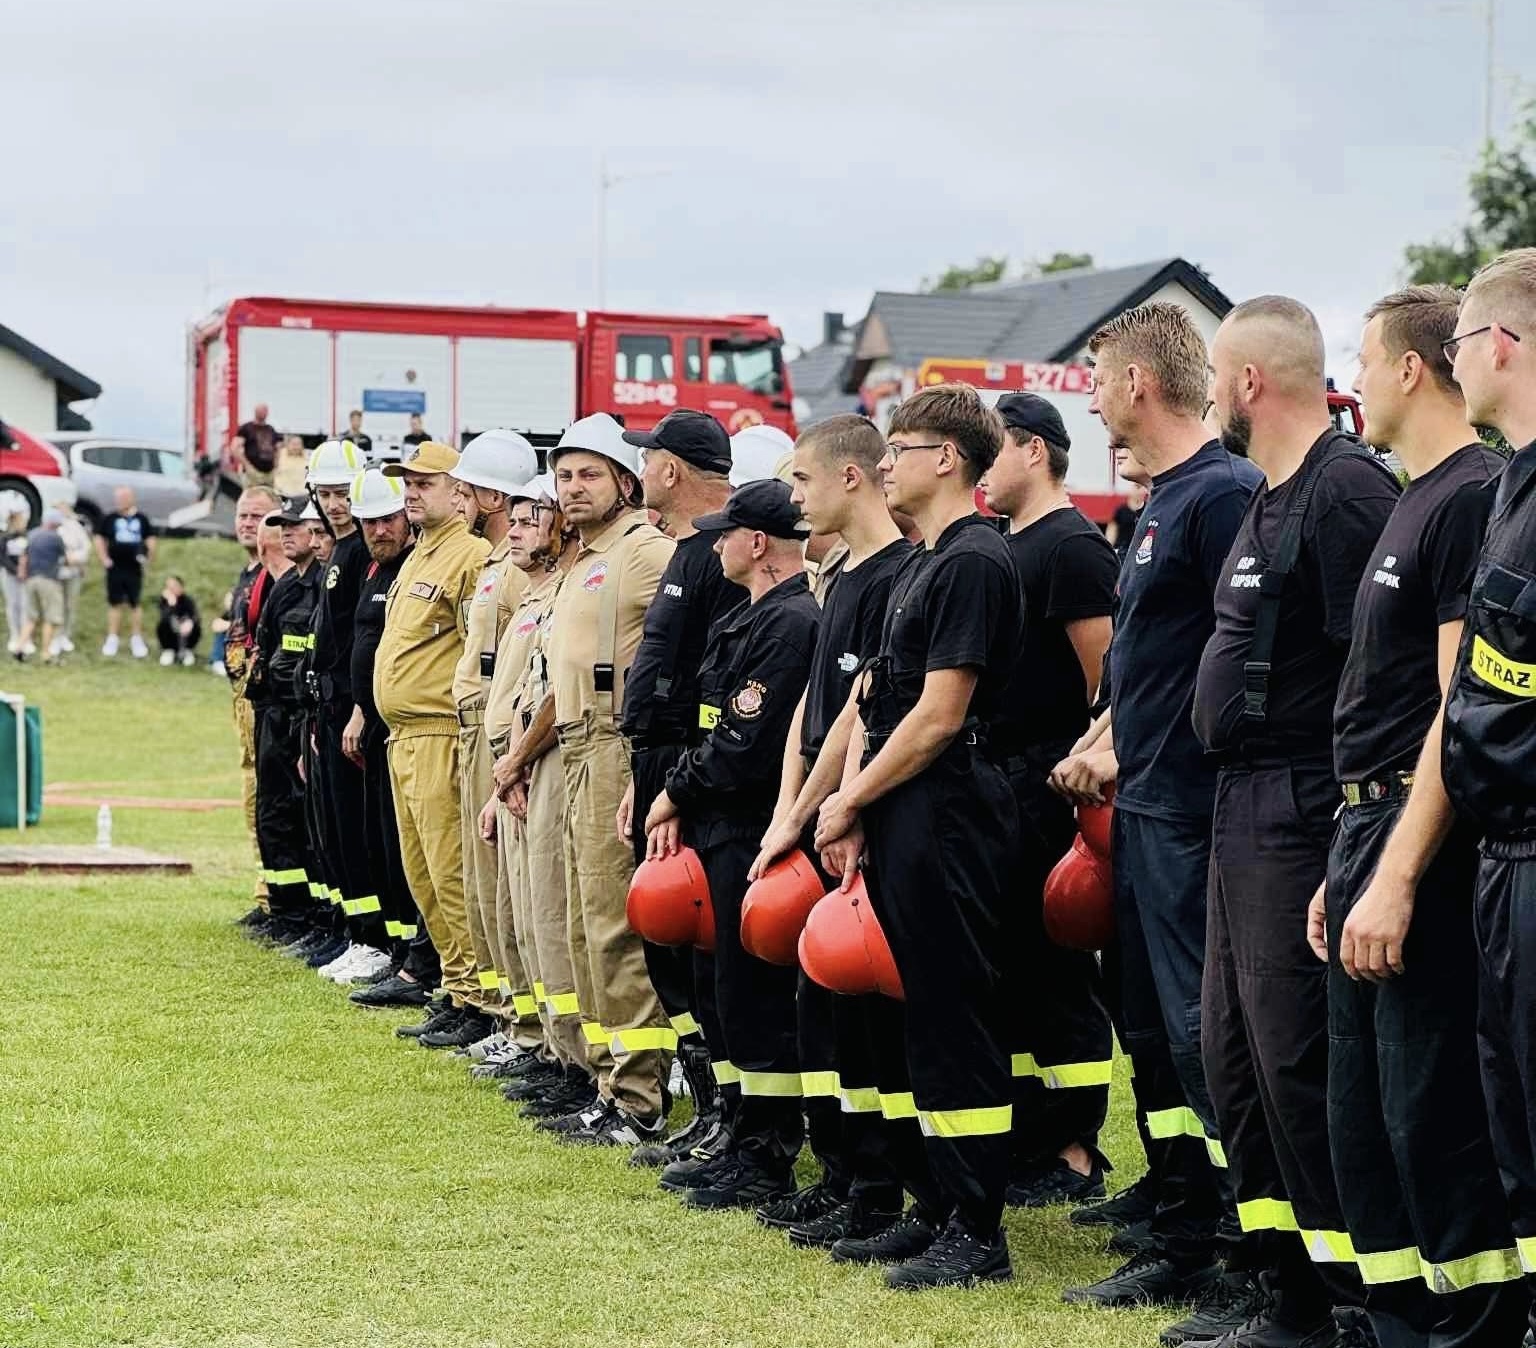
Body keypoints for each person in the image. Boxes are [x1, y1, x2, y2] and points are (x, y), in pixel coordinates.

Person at [1310, 285, 1524, 1348]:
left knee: (1430, 1107)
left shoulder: (1470, 496)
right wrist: (1346, 863)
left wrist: (1395, 867)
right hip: (1368, 827)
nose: (1351, 374)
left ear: (1409, 367)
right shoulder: (1411, 493)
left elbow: (1456, 704)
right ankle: (1392, 1319)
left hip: (1425, 837)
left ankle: (1470, 1325)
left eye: (1362, 352)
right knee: (1365, 1110)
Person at [1053, 303, 1263, 1341]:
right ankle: (1183, 1226)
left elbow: (1241, 657)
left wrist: (1143, 749)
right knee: (1155, 1033)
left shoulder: (1223, 494)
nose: (1090, 398)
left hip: (1193, 812)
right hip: (1142, 810)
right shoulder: (1167, 502)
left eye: (1097, 378)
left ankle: (1238, 1249)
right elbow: (1153, 662)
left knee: (1200, 1033)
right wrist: (1106, 738)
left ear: (1141, 381)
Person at [1192, 295, 1399, 1347]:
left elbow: (1383, 676)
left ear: (1249, 383)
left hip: (1301, 807)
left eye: (1217, 374)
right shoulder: (1267, 497)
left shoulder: (1347, 491)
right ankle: (1289, 1288)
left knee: (1299, 1054)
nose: (1212, 391)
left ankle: (1356, 1300)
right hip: (1238, 803)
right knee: (1238, 1054)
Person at [807, 383, 1023, 1291]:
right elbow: (874, 701)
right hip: (906, 814)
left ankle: (978, 1229)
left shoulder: (974, 559)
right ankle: (934, 1208)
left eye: (901, 448)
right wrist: (857, 806)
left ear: (949, 460)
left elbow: (938, 717)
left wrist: (847, 799)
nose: (885, 463)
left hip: (952, 814)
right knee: (915, 1023)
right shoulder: (924, 563)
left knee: (955, 1018)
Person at [750, 413, 912, 1248]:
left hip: (865, 822)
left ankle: (880, 1187)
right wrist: (790, 815)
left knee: (870, 1017)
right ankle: (845, 1172)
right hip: (821, 816)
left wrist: (839, 809)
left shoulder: (897, 576)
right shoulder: (841, 578)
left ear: (852, 477)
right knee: (825, 1013)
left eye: (802, 481)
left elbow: (870, 716)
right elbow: (814, 716)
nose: (793, 500)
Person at [641, 479, 820, 1209]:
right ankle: (742, 1134)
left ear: (757, 543)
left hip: (749, 825)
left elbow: (740, 745)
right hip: (718, 823)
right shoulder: (748, 617)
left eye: (726, 534)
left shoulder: (790, 623)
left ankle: (768, 1153)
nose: (714, 545)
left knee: (756, 996)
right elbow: (706, 723)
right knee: (726, 994)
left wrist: (674, 791)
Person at [979, 393, 1118, 1211]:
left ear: (1033, 450)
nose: (979, 469)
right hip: (998, 785)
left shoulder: (1071, 548)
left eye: (991, 450)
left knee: (1057, 971)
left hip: (1052, 785)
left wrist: (1085, 769)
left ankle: (1073, 1148)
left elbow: (1106, 681)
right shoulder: (1002, 545)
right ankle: (1030, 1134)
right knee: (1014, 972)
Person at [1441, 248, 1536, 1330]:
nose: (1451, 360)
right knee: (1512, 1121)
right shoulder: (1512, 481)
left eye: (1460, 340)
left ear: (1499, 346)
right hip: (1499, 853)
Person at [539, 413, 676, 1147]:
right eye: (563, 475)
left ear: (626, 481)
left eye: (588, 473)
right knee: (581, 921)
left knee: (614, 924)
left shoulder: (643, 550)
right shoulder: (585, 558)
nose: (571, 488)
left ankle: (638, 1096)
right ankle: (606, 1077)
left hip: (614, 745)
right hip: (573, 746)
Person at [614, 408, 744, 1168]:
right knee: (668, 949)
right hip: (657, 763)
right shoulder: (688, 550)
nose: (644, 470)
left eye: (649, 458)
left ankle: (729, 1116)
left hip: (689, 770)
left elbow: (716, 683)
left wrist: (679, 785)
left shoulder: (716, 555)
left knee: (699, 947)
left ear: (671, 469)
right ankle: (708, 1107)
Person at [373, 443, 491, 1039]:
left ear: (459, 492)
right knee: (421, 872)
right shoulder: (420, 554)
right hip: (405, 735)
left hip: (440, 732)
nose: (413, 492)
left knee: (449, 871)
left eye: (426, 482)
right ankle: (455, 982)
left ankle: (477, 998)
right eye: (408, 483)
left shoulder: (471, 557)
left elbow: (477, 652)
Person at [480, 477, 587, 1107]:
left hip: (544, 761)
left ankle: (574, 1058)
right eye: (513, 520)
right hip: (516, 768)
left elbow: (557, 693)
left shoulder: (568, 590)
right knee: (526, 915)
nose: (517, 531)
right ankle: (549, 1045)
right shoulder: (538, 593)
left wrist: (517, 760)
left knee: (556, 916)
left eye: (530, 518)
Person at [434, 429, 537, 1053]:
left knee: (505, 885)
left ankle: (518, 1022)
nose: (463, 497)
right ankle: (501, 1011)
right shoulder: (497, 563)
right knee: (482, 884)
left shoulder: (519, 572)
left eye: (469, 488)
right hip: (476, 726)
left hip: (501, 732)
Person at [299, 440, 395, 985]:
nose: (335, 505)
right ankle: (355, 931)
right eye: (328, 494)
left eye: (343, 494)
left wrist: (357, 706)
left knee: (361, 830)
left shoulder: (362, 553)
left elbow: (363, 635)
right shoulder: (340, 551)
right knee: (335, 827)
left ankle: (373, 939)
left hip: (354, 708)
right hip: (329, 705)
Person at [345, 469, 441, 1010]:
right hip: (384, 723)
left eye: (387, 518)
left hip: (418, 727)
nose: (378, 529)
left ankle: (421, 962)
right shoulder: (379, 568)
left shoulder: (417, 565)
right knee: (396, 847)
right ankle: (410, 954)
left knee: (428, 855)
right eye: (370, 521)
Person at [247, 496, 325, 949]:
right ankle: (284, 907)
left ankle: (309, 915)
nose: (287, 533)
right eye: (283, 527)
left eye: (295, 525)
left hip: (302, 716)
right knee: (272, 811)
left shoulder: (320, 586)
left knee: (305, 821)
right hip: (273, 713)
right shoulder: (284, 587)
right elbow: (268, 643)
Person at [226, 486, 283, 930]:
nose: (249, 523)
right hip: (241, 702)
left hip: (265, 702)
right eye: (244, 515)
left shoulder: (274, 576)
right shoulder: (247, 573)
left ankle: (274, 896)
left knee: (266, 798)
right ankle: (265, 889)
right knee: (252, 797)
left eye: (259, 516)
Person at [95, 487, 156, 658]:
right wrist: (104, 558)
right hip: (115, 567)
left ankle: (136, 638)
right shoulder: (110, 518)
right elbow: (100, 537)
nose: (120, 501)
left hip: (134, 567)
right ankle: (112, 637)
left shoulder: (141, 518)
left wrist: (148, 558)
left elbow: (150, 539)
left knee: (134, 603)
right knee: (115, 603)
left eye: (123, 497)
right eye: (118, 498)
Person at [17, 510, 69, 663]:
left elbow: (24, 557)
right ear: (54, 523)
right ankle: (46, 653)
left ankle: (19, 648)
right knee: (51, 618)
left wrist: (23, 574)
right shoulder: (55, 538)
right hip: (48, 581)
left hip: (30, 580)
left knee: (31, 618)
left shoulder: (32, 534)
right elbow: (66, 560)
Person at [55, 508, 90, 654]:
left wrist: (74, 558)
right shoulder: (50, 524)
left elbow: (86, 547)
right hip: (54, 573)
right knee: (55, 606)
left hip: (73, 571)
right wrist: (62, 559)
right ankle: (54, 637)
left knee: (69, 605)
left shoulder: (75, 526)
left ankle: (65, 636)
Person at [155, 575, 202, 666]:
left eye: (174, 586)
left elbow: (195, 616)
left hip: (186, 635)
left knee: (196, 626)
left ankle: (188, 651)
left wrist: (190, 622)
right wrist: (171, 605)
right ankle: (168, 650)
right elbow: (164, 617)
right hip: (171, 635)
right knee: (163, 624)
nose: (171, 589)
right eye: (169, 587)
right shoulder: (164, 601)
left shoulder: (188, 601)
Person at [1, 498, 27, 657]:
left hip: (25, 576)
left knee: (25, 606)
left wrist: (23, 570)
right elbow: (2, 557)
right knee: (12, 604)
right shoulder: (4, 537)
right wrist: (14, 569)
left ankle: (25, 638)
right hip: (9, 574)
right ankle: (14, 635)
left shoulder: (27, 536)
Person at [234, 404, 280, 484]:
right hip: (253, 473)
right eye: (261, 411)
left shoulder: (270, 429)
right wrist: (247, 465)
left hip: (269, 473)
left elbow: (277, 448)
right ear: (255, 412)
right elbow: (234, 448)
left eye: (265, 411)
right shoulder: (246, 428)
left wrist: (276, 465)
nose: (263, 413)